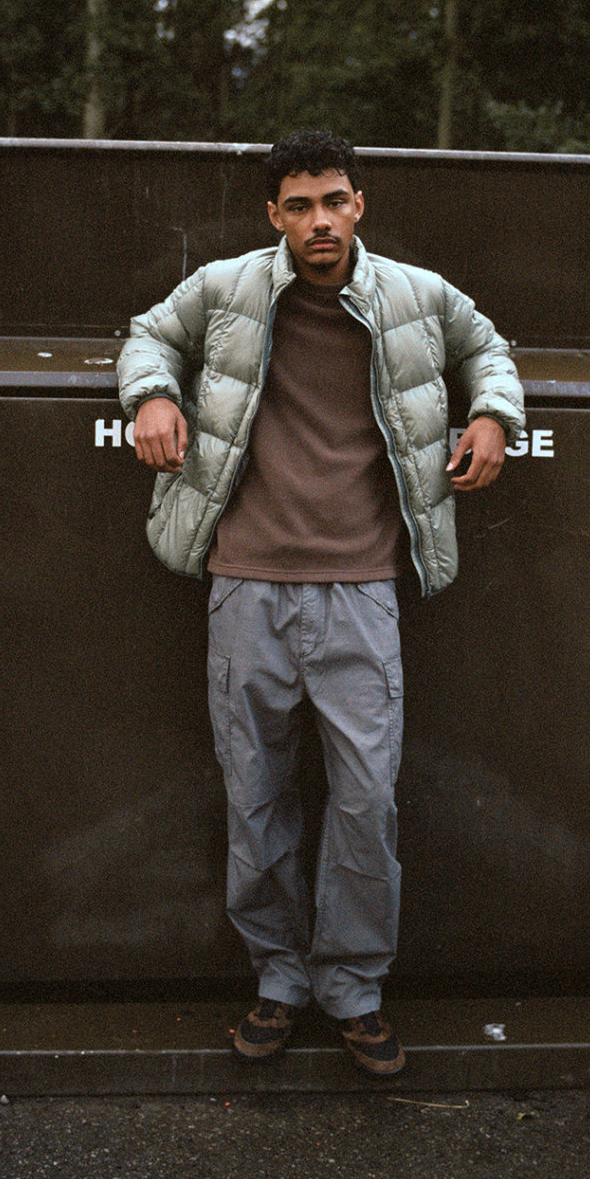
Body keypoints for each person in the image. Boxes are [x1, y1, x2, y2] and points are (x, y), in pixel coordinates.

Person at [117, 129, 524, 1076]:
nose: (319, 222)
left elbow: (488, 346)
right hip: (245, 586)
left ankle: (353, 988)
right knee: (254, 797)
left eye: (334, 200)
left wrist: (494, 415)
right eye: (298, 206)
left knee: (366, 800)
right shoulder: (227, 289)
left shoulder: (415, 295)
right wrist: (152, 396)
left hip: (363, 590)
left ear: (359, 204)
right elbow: (147, 333)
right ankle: (278, 978)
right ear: (274, 216)